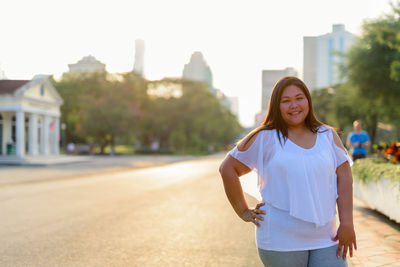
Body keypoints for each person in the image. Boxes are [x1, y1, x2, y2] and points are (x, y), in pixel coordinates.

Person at [219, 76, 356, 267]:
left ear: (308, 100)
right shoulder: (264, 137)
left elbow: (345, 177)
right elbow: (227, 169)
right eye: (286, 101)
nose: (294, 105)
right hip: (280, 240)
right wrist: (243, 211)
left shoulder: (327, 135)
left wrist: (347, 223)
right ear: (277, 106)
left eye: (299, 98)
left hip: (327, 237)